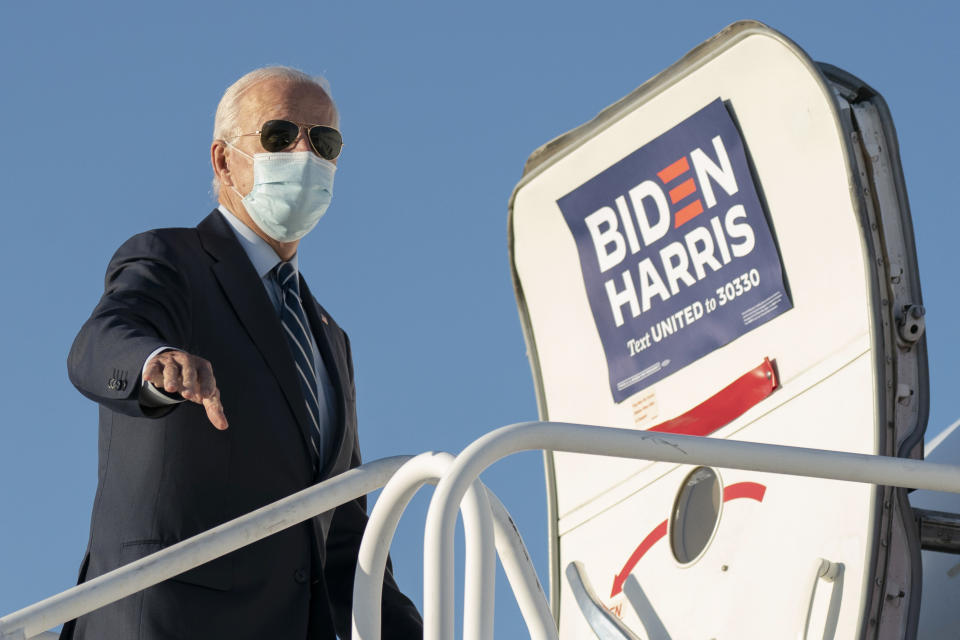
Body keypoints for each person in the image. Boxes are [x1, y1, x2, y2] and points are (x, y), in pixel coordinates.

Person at [62, 66, 423, 639]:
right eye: (280, 136)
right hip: (166, 624)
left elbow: (343, 531)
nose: (304, 154)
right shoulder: (172, 259)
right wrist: (155, 363)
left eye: (323, 142)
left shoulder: (329, 337)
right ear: (224, 160)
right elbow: (103, 340)